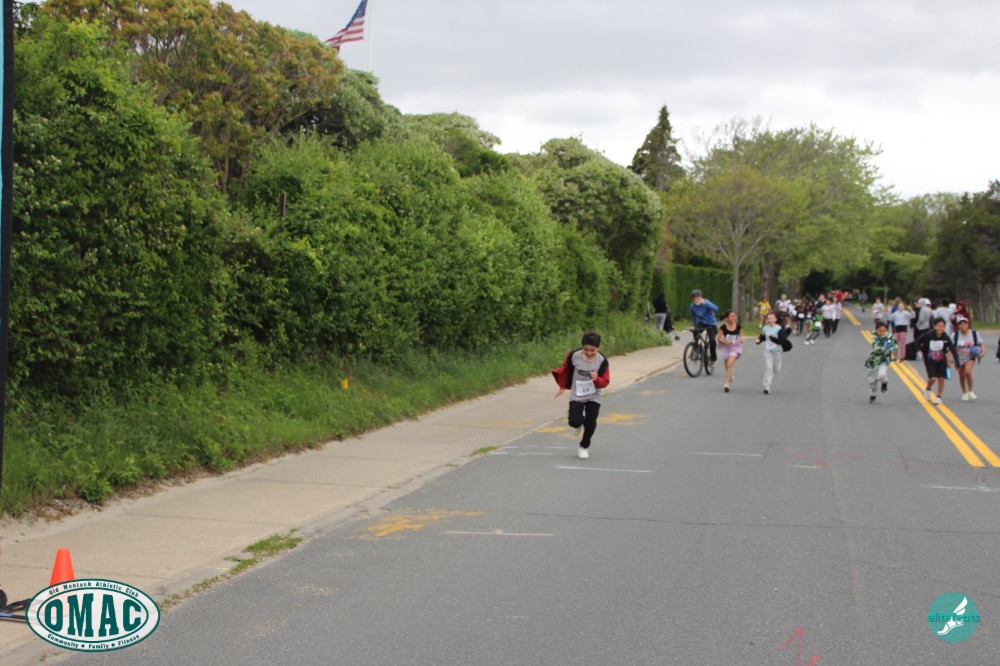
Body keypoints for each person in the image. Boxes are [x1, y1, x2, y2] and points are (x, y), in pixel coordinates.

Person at [552, 331, 611, 460]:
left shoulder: (602, 361)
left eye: (593, 351)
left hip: (594, 395)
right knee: (574, 421)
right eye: (586, 350)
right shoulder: (574, 356)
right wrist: (562, 386)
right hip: (577, 394)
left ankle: (584, 446)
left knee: (590, 423)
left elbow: (605, 382)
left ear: (598, 348)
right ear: (582, 347)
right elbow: (565, 371)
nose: (589, 353)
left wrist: (597, 379)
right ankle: (579, 424)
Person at [916, 318, 959, 405]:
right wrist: (918, 351)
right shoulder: (929, 335)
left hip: (941, 360)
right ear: (934, 326)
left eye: (942, 326)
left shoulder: (945, 337)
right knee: (932, 378)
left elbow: (953, 349)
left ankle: (939, 397)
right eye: (938, 326)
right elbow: (917, 341)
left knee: (941, 379)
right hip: (930, 360)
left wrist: (957, 362)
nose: (940, 328)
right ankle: (928, 388)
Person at [756, 312, 791, 394]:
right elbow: (763, 337)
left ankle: (778, 365)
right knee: (768, 367)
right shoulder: (765, 328)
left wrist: (771, 337)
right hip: (767, 350)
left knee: (776, 369)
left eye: (772, 318)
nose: (770, 320)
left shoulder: (779, 329)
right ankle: (767, 386)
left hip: (777, 350)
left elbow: (781, 341)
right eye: (769, 318)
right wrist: (758, 340)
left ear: (775, 319)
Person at [953, 316, 985, 401]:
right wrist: (949, 360)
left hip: (970, 356)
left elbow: (981, 343)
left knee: (967, 372)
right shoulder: (955, 335)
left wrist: (982, 352)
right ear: (958, 326)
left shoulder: (974, 334)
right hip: (959, 357)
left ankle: (970, 391)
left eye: (965, 324)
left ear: (968, 325)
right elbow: (951, 347)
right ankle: (964, 393)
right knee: (961, 376)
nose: (963, 326)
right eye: (961, 324)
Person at [865, 321, 896, 403]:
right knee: (872, 381)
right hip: (874, 361)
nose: (882, 333)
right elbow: (875, 347)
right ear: (876, 330)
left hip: (884, 360)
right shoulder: (874, 337)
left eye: (884, 331)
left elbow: (890, 347)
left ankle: (884, 383)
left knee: (882, 374)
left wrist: (888, 350)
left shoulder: (889, 338)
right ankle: (873, 394)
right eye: (880, 331)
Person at [716, 310, 744, 393]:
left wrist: (741, 339)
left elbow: (741, 335)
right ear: (727, 318)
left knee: (729, 364)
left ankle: (726, 384)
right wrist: (725, 342)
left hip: (735, 348)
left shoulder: (738, 326)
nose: (734, 318)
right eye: (731, 316)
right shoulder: (723, 327)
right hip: (726, 347)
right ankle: (730, 374)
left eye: (735, 316)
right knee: (727, 366)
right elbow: (719, 338)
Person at [689, 289, 719, 363]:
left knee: (712, 340)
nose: (697, 299)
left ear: (701, 297)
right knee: (695, 332)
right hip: (701, 322)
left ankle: (713, 358)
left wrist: (706, 303)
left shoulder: (706, 302)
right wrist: (694, 325)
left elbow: (716, 308)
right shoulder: (692, 306)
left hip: (711, 323)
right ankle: (696, 350)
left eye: (698, 297)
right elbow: (693, 317)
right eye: (695, 298)